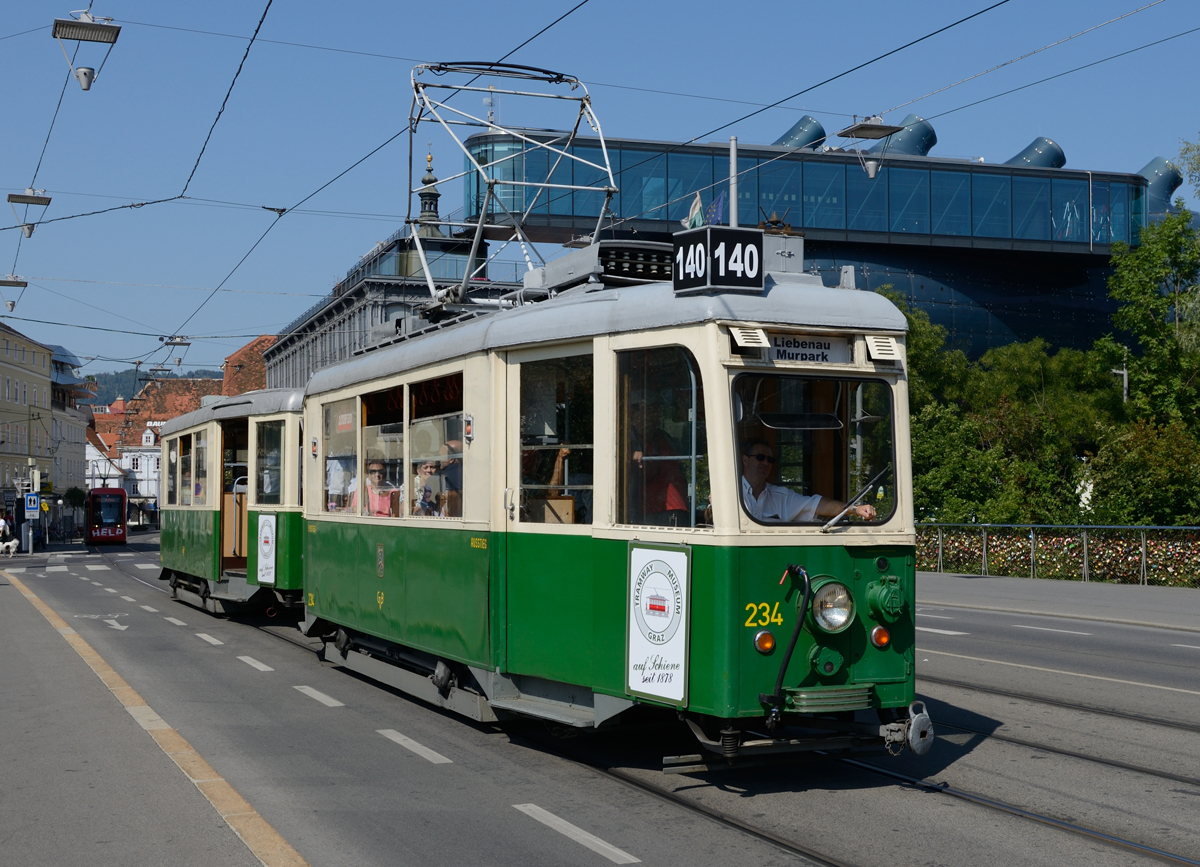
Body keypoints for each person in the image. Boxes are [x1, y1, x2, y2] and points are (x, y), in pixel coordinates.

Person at [740, 438, 877, 524]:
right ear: (745, 460)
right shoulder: (730, 493)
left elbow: (815, 504)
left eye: (770, 460)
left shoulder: (781, 497)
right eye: (760, 457)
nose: (766, 463)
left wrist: (855, 509)